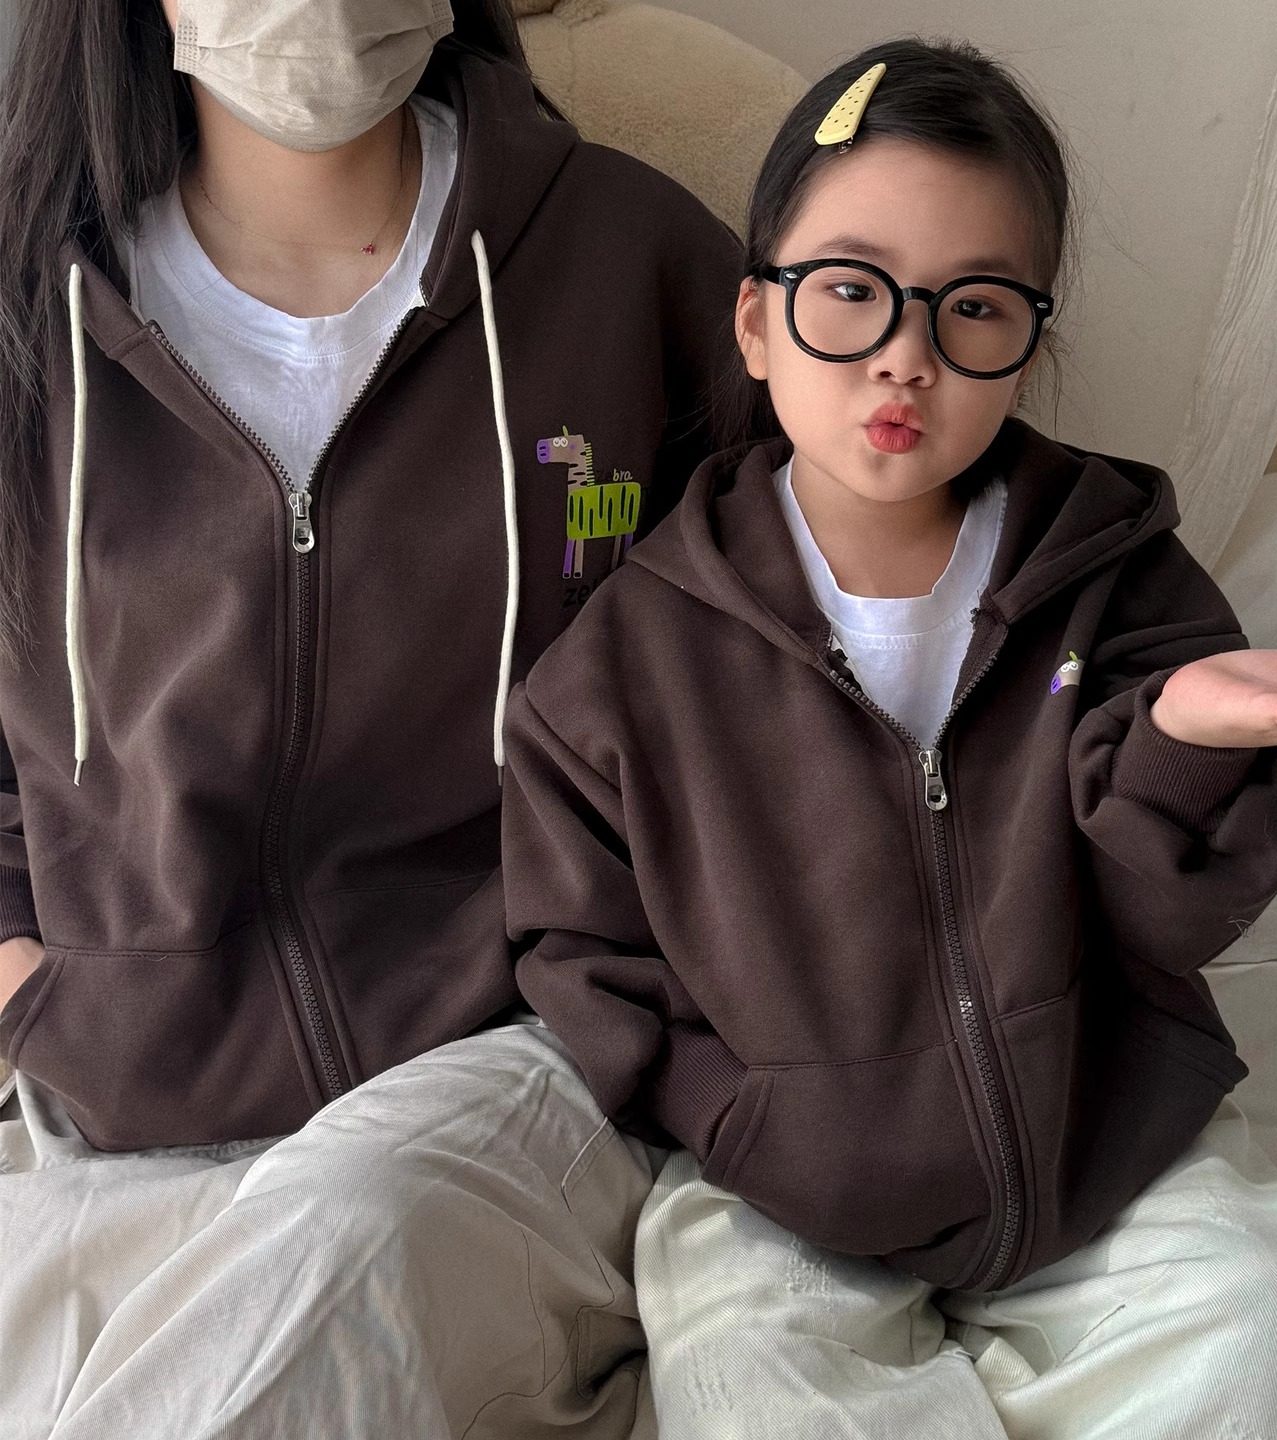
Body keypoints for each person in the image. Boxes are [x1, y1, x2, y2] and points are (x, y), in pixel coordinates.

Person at [502, 39, 1277, 1439]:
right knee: (757, 1396)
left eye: (976, 308)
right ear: (755, 321)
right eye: (850, 290)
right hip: (782, 1193)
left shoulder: (1116, 577)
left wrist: (1180, 744)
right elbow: (581, 951)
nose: (907, 355)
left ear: (1028, 347)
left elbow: (1172, 924)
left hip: (1098, 1144)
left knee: (1269, 1331)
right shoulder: (629, 660)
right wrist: (748, 1118)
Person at [0, 1, 738, 1435]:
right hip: (120, 1102)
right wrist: (37, 987)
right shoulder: (32, 304)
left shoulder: (624, 259)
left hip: (526, 1063)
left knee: (341, 1250)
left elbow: (841, 610)